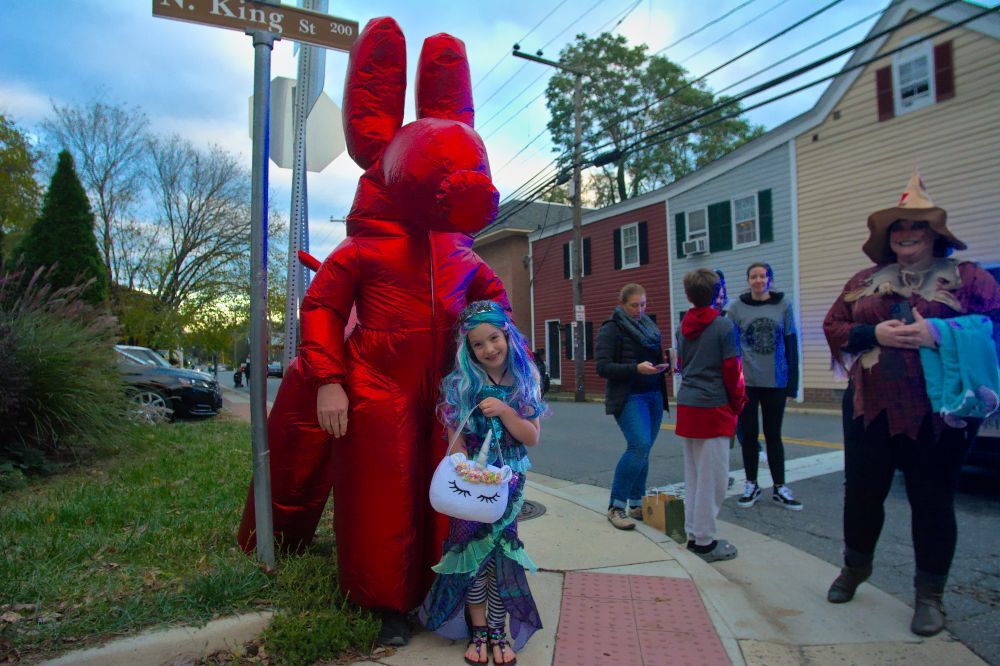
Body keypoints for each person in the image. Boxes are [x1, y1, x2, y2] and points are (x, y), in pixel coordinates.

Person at [822, 170, 1000, 637]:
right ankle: (855, 568)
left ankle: (930, 596)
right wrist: (872, 332)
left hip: (940, 415)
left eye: (916, 228)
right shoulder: (864, 281)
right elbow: (833, 325)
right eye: (897, 229)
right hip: (869, 407)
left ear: (934, 234)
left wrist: (939, 333)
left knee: (933, 501)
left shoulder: (970, 279)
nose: (905, 236)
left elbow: (996, 326)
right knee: (861, 495)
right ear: (887, 239)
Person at [420, 300, 545, 665]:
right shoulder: (460, 385)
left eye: (494, 338)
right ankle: (478, 631)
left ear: (506, 334)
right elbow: (454, 443)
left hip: (509, 481)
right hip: (471, 484)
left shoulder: (526, 379)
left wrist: (505, 410)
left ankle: (497, 628)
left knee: (501, 555)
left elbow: (532, 436)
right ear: (468, 349)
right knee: (472, 556)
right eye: (479, 344)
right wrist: (464, 474)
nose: (489, 349)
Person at [675, 269, 748, 562]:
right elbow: (733, 370)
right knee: (713, 479)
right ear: (716, 292)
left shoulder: (683, 326)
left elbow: (681, 363)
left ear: (689, 294)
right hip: (714, 407)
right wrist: (738, 402)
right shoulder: (723, 327)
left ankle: (694, 532)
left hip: (688, 406)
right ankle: (705, 542)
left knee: (693, 476)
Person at [727, 262, 802, 510]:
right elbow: (730, 347)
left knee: (773, 435)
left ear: (769, 279)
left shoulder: (784, 305)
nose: (758, 280)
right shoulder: (736, 309)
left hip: (776, 380)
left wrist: (792, 383)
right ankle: (751, 484)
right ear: (748, 280)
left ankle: (780, 486)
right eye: (753, 277)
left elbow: (791, 345)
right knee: (748, 436)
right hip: (747, 381)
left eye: (763, 276)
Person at [595, 284, 671, 530]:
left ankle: (637, 504)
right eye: (634, 305)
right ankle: (616, 507)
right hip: (629, 396)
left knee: (645, 449)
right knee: (638, 445)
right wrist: (635, 369)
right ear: (622, 303)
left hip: (654, 394)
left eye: (643, 304)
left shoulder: (649, 327)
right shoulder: (612, 329)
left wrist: (664, 365)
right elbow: (603, 367)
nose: (639, 310)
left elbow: (655, 359)